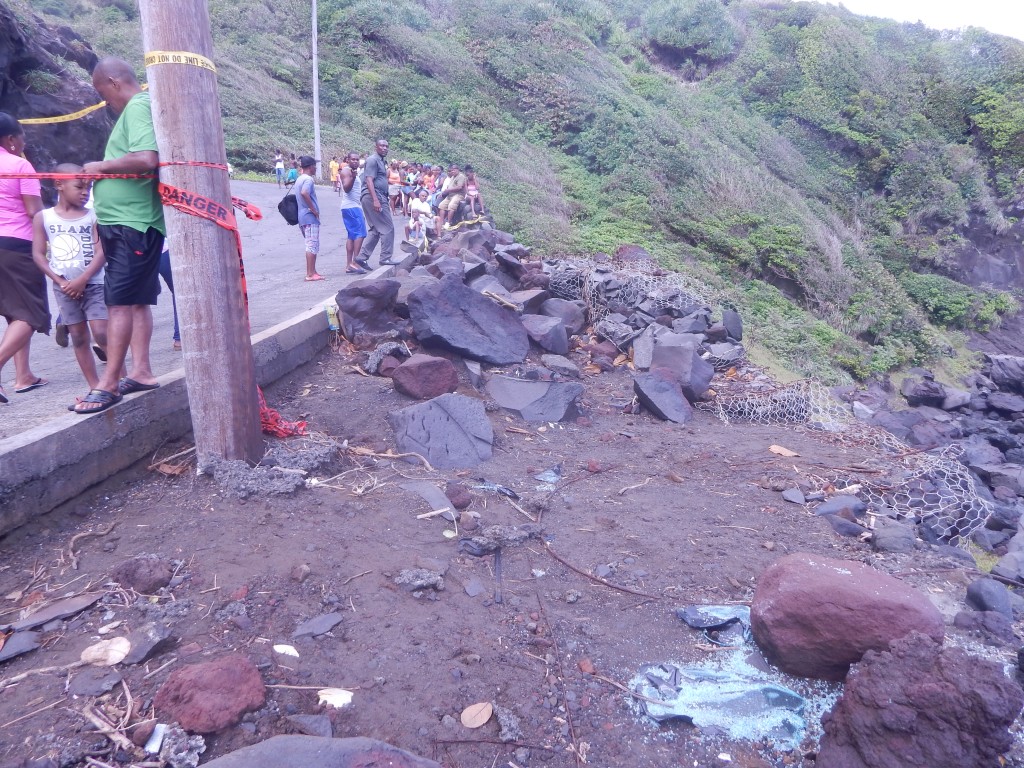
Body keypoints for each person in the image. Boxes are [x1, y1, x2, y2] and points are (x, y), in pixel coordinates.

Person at [78, 57, 165, 414]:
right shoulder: (136, 109)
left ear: (114, 82)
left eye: (103, 94)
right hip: (130, 223)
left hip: (133, 224)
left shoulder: (138, 106)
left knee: (119, 303)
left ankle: (109, 383)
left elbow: (146, 159)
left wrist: (100, 167)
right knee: (137, 301)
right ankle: (141, 372)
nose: (106, 102)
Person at [31, 163, 109, 393]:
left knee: (102, 333)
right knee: (78, 336)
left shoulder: (93, 216)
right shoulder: (43, 217)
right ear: (59, 184)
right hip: (64, 288)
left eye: (88, 188)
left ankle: (118, 379)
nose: (85, 193)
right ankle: (95, 386)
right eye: (79, 187)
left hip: (94, 284)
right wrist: (61, 281)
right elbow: (38, 254)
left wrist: (83, 279)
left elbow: (102, 251)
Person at [0, 112, 47, 403]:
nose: (23, 142)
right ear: (10, 140)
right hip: (17, 245)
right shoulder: (19, 165)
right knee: (30, 313)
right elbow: (35, 212)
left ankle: (23, 376)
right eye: (21, 137)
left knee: (14, 311)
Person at [357, 138, 395, 268]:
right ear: (376, 147)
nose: (385, 148)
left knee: (376, 229)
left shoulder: (381, 161)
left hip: (376, 196)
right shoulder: (373, 160)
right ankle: (385, 258)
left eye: (386, 146)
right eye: (382, 146)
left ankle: (362, 257)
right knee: (388, 228)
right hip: (374, 196)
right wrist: (375, 200)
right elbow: (369, 180)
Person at [294, 155, 323, 281]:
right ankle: (310, 274)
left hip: (302, 216)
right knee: (311, 244)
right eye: (315, 166)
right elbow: (304, 192)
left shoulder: (299, 179)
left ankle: (313, 271)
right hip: (309, 216)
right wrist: (313, 209)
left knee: (313, 244)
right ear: (310, 167)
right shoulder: (308, 179)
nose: (316, 168)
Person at [339, 151, 367, 274]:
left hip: (352, 206)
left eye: (357, 159)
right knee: (360, 234)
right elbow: (346, 188)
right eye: (353, 159)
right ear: (348, 160)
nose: (355, 161)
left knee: (352, 236)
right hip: (351, 207)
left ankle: (349, 264)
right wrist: (353, 177)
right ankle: (355, 262)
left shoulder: (352, 171)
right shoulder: (346, 171)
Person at [157, 242, 181, 350]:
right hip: (162, 250)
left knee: (137, 303)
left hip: (137, 253)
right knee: (179, 290)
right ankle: (179, 338)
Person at [437, 163, 467, 230]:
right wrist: (444, 192)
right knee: (441, 205)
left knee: (451, 205)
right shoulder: (453, 177)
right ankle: (441, 222)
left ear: (457, 169)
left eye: (454, 170)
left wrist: (448, 190)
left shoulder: (461, 176)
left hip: (458, 195)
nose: (452, 171)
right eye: (451, 170)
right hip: (450, 194)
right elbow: (449, 186)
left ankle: (448, 223)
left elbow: (459, 187)